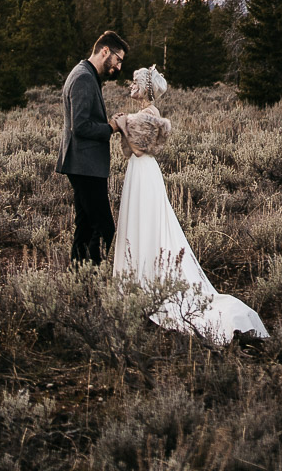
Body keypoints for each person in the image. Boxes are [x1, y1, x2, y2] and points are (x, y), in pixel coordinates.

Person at [113, 65, 268, 345]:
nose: (130, 85)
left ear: (147, 88)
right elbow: (129, 149)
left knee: (147, 224)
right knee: (136, 223)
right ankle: (136, 282)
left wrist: (123, 123)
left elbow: (138, 149)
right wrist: (125, 123)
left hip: (145, 173)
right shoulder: (142, 114)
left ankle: (148, 282)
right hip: (137, 173)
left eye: (135, 82)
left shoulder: (150, 114)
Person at [56, 30, 128, 264]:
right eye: (118, 60)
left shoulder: (84, 73)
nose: (118, 67)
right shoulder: (84, 77)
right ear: (105, 51)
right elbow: (81, 126)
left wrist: (109, 123)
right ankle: (95, 276)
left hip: (82, 164)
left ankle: (80, 278)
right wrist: (111, 128)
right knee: (104, 227)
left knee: (85, 225)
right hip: (85, 165)